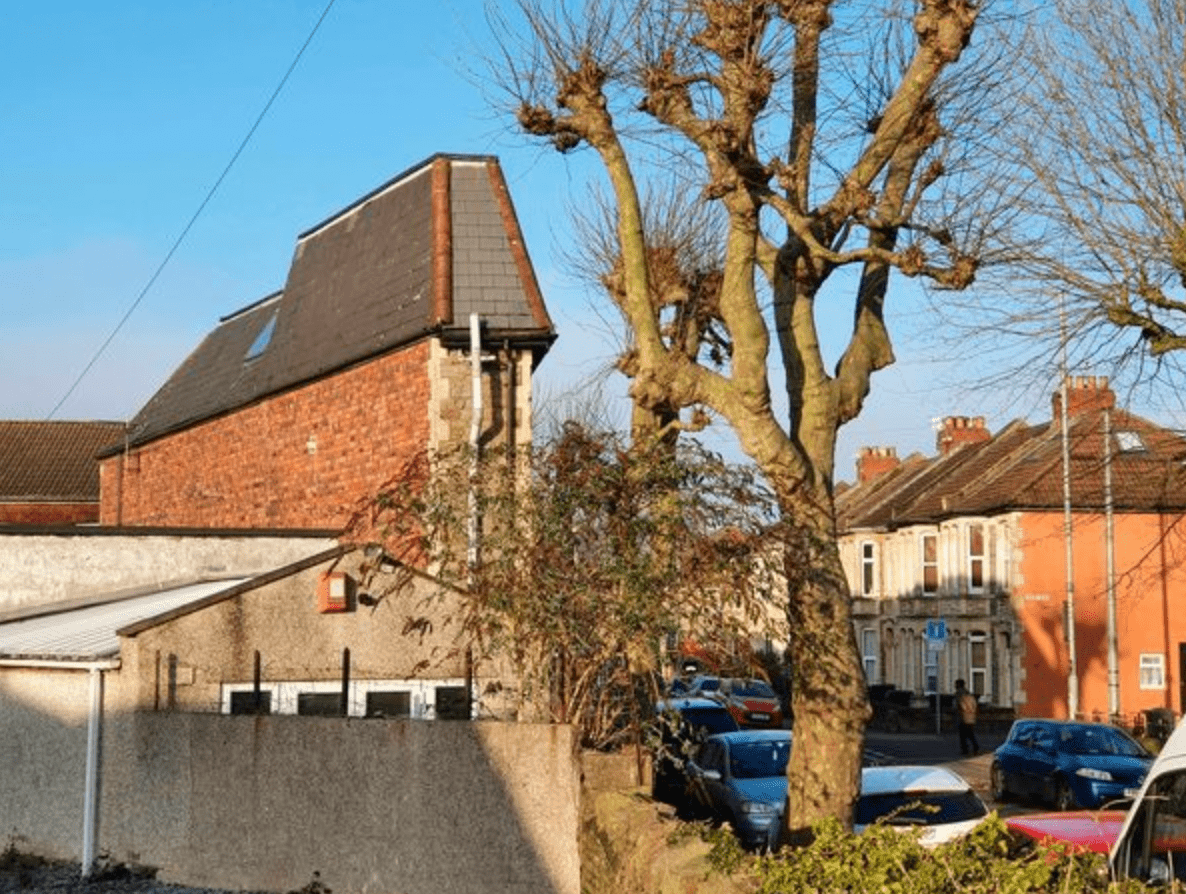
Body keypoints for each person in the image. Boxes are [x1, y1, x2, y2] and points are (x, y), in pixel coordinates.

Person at [954, 678, 979, 756]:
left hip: (963, 716)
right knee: (969, 733)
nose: (955, 686)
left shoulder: (959, 693)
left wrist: (960, 714)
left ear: (959, 685)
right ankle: (974, 747)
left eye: (956, 684)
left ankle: (966, 749)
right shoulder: (968, 692)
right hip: (970, 716)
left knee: (963, 734)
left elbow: (959, 704)